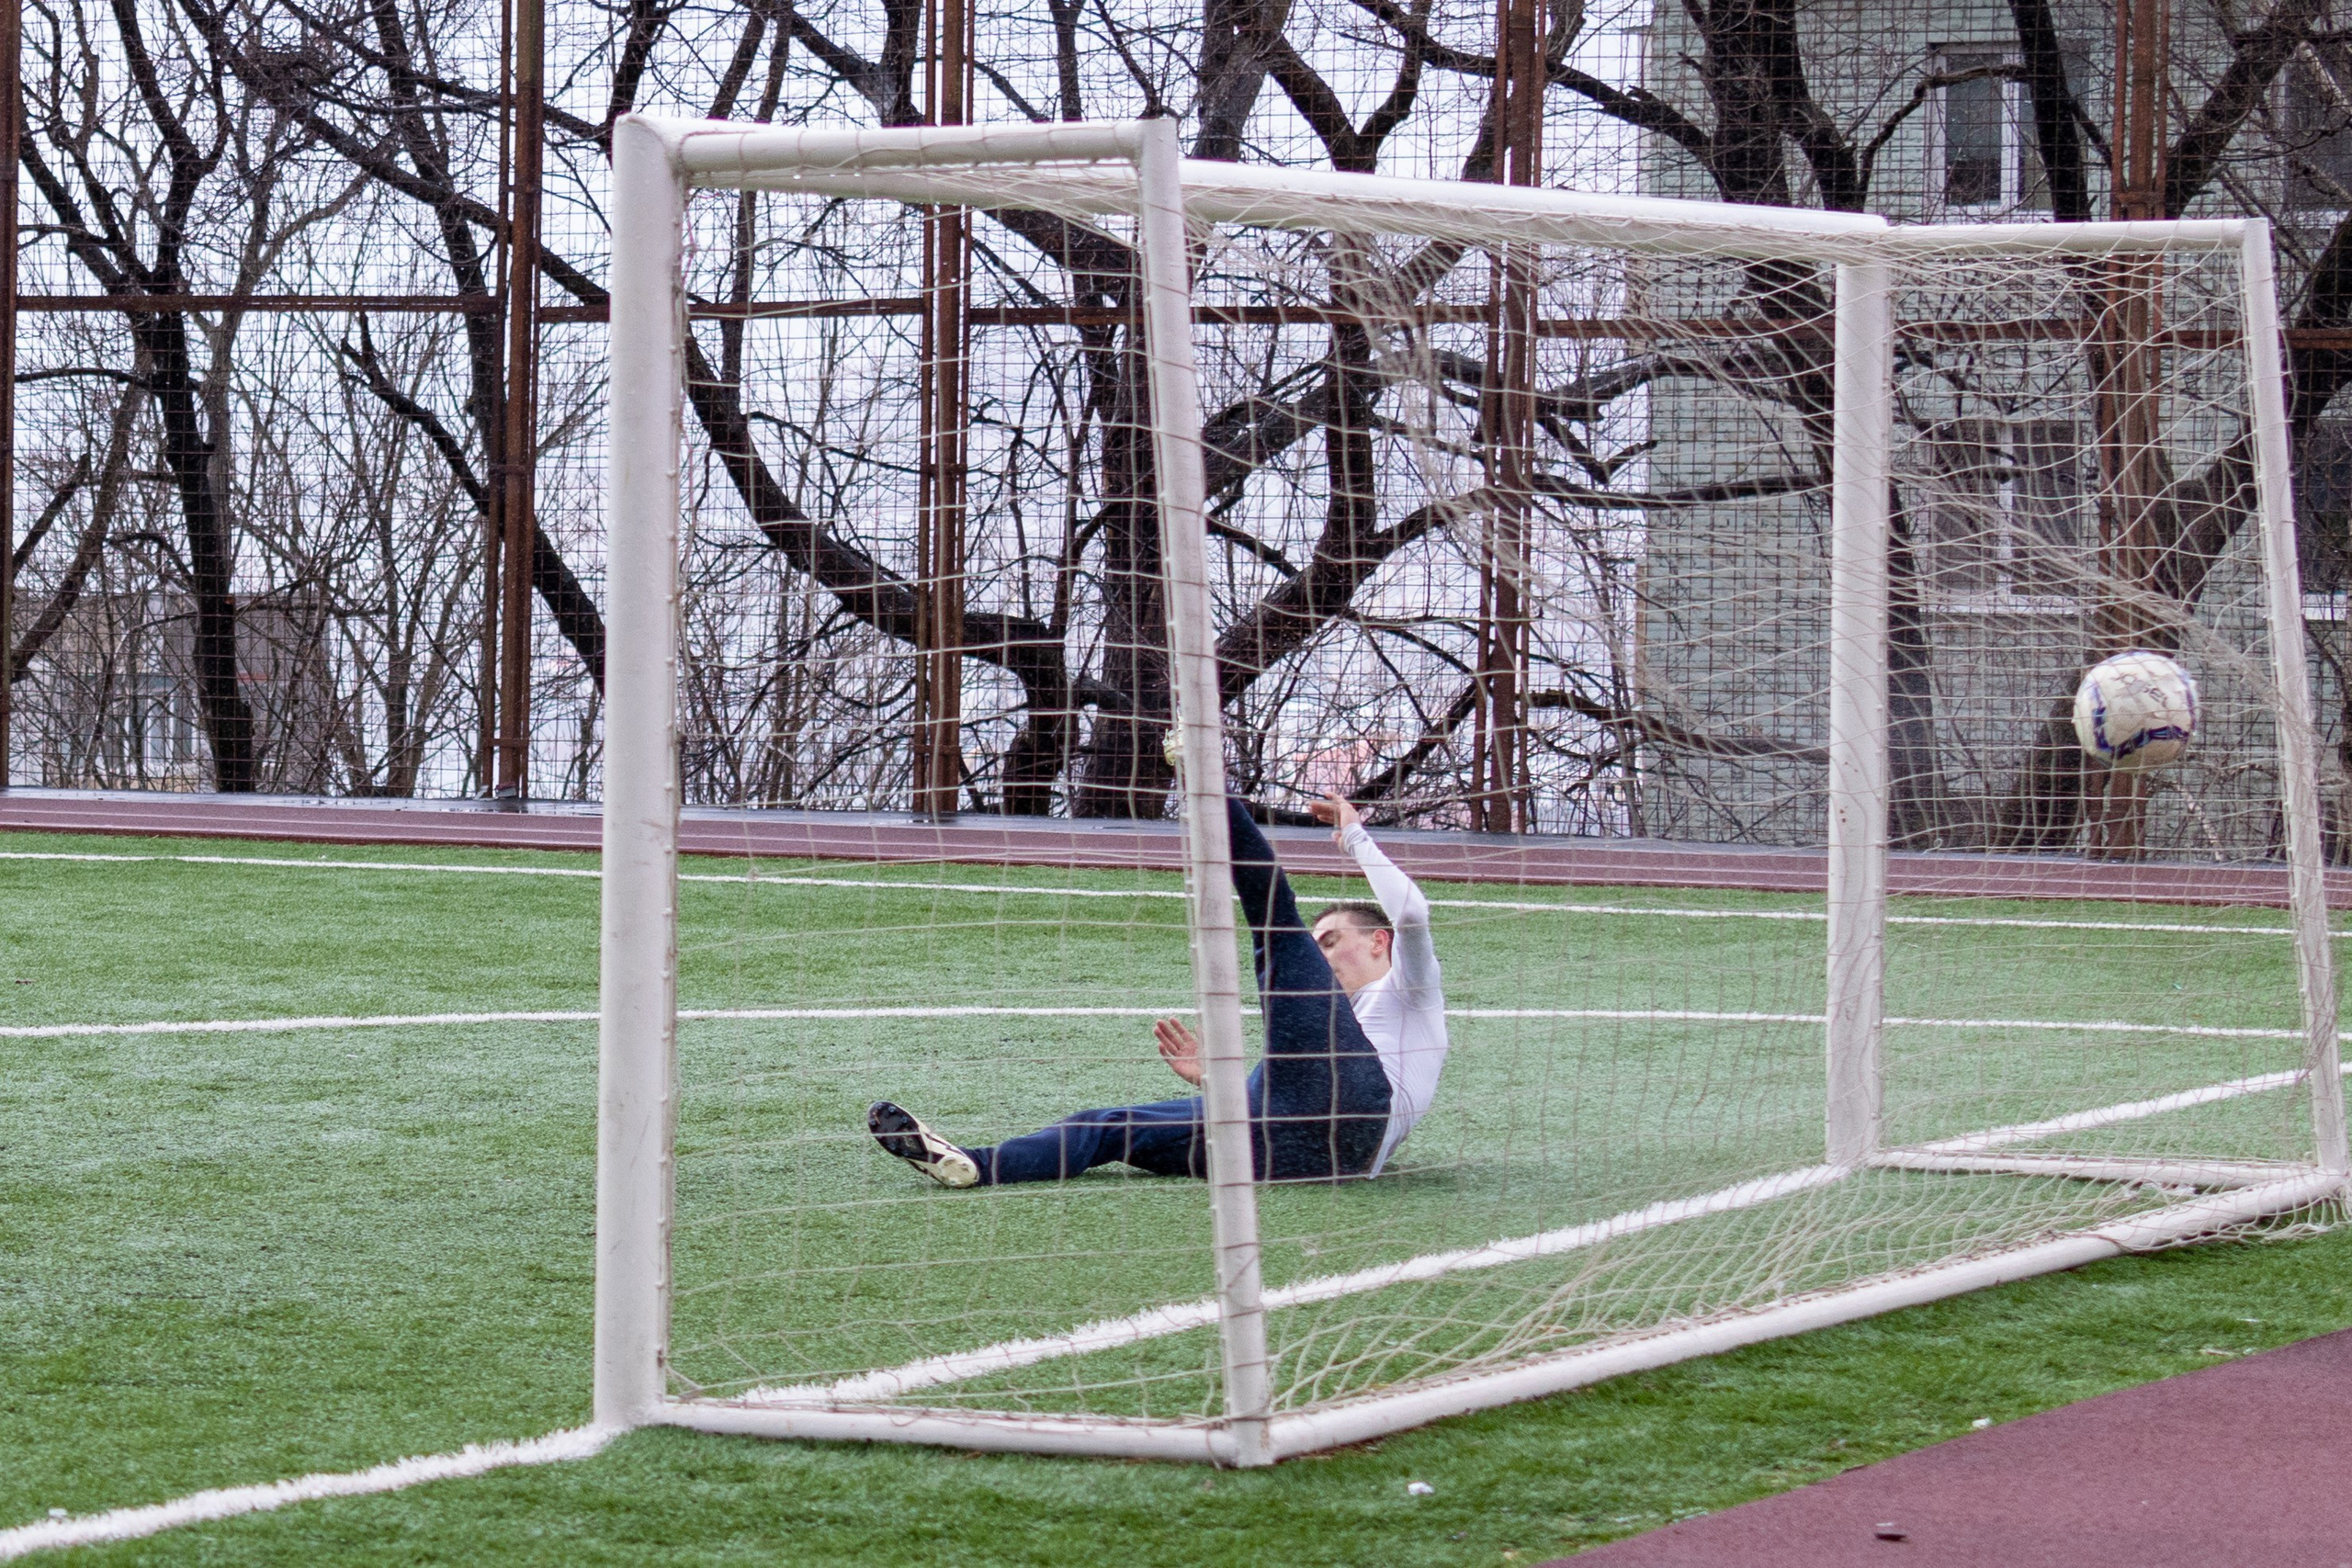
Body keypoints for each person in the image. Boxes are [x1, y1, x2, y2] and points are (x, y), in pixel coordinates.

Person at [867, 792, 1449, 1187]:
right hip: (1283, 1152)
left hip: (1355, 1132)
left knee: (1273, 913)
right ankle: (974, 1164)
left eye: (1333, 940)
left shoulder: (1411, 989)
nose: (1321, 954)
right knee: (1110, 1125)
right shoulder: (1320, 1027)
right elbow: (1285, 1085)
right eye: (1317, 944)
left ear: (1378, 942)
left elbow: (1415, 913)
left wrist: (1354, 838)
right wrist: (1213, 1080)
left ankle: (1207, 780)